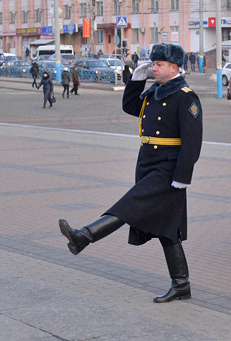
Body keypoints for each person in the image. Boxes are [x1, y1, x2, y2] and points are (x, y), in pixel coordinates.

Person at [59, 43, 202, 303]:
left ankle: (84, 236)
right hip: (147, 164)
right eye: (153, 64)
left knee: (129, 206)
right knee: (167, 229)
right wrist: (136, 79)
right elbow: (130, 107)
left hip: (168, 169)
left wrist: (182, 177)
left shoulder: (185, 97)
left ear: (174, 67)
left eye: (159, 65)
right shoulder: (155, 92)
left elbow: (192, 143)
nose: (154, 68)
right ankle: (181, 284)